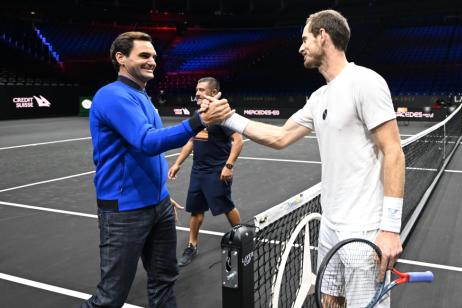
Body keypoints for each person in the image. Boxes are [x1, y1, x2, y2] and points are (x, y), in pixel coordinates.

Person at [205, 10, 404, 307]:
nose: (300, 48)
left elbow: (394, 152)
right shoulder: (319, 98)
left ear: (323, 35)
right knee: (328, 301)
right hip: (330, 227)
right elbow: (280, 137)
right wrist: (230, 118)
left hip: (364, 230)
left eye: (305, 39)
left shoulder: (365, 82)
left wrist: (389, 229)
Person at [83, 31, 232, 308]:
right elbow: (147, 142)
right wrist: (200, 120)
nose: (152, 60)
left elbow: (147, 150)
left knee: (164, 280)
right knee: (110, 297)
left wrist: (160, 194)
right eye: (143, 55)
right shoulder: (112, 96)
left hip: (157, 206)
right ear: (121, 58)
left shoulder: (141, 95)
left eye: (153, 55)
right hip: (124, 211)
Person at [168, 77, 244, 267]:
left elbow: (238, 140)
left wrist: (228, 166)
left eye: (201, 90)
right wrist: (178, 163)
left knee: (226, 207)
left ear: (213, 92)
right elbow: (192, 141)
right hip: (198, 172)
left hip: (217, 172)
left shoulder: (222, 115)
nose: (197, 93)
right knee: (196, 211)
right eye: (196, 89)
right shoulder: (199, 114)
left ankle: (243, 237)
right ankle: (191, 246)